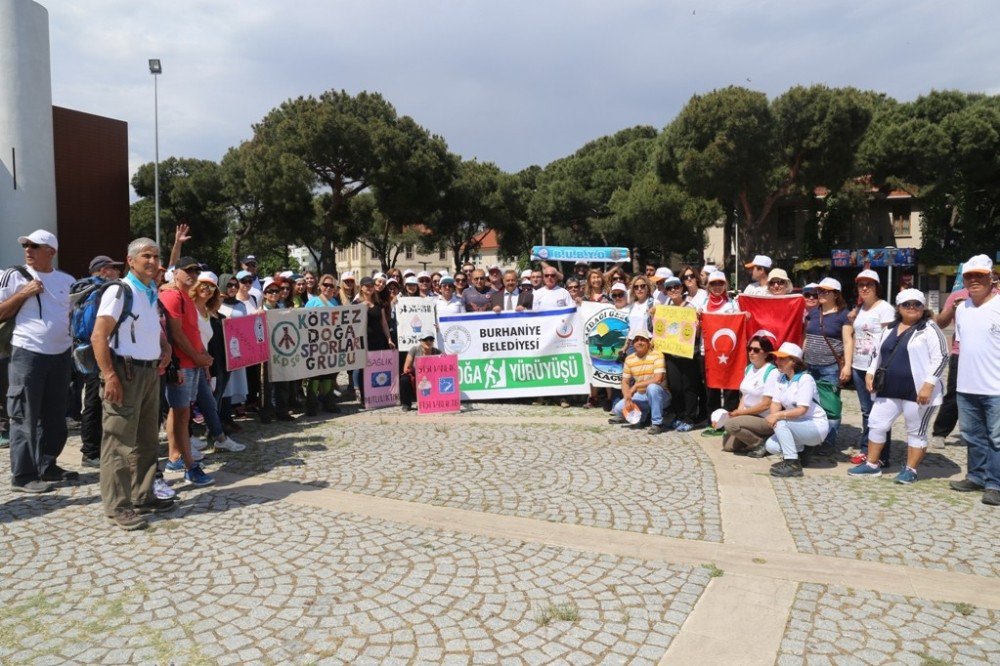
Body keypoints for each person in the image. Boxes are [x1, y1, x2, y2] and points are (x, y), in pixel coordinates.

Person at [91, 238, 175, 529]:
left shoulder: (150, 290)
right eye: (146, 256)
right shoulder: (119, 291)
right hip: (124, 373)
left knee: (147, 439)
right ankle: (117, 506)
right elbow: (99, 336)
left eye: (156, 256)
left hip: (149, 372)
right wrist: (110, 376)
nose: (152, 261)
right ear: (131, 261)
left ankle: (143, 494)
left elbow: (149, 326)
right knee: (118, 442)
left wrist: (164, 346)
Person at [0, 230, 76, 493]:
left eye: (35, 246)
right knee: (23, 414)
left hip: (61, 354)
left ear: (51, 252)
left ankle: (47, 464)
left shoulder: (67, 280)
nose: (28, 249)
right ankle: (23, 475)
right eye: (26, 245)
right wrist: (24, 294)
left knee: (55, 415)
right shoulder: (13, 275)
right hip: (27, 354)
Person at [849, 289, 947, 483]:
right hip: (889, 389)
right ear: (898, 307)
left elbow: (942, 356)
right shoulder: (889, 328)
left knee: (916, 430)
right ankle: (872, 464)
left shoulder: (929, 328)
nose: (912, 308)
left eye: (917, 304)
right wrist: (870, 372)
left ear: (923, 307)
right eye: (907, 304)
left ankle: (910, 470)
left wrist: (929, 384)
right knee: (876, 424)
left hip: (917, 391)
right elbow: (878, 354)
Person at [160, 256, 216, 487]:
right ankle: (188, 465)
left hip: (191, 364)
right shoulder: (172, 295)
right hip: (181, 364)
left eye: (195, 270)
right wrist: (196, 357)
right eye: (187, 270)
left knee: (181, 413)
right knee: (182, 414)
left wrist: (202, 357)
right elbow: (176, 334)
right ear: (175, 272)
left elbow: (192, 331)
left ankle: (177, 457)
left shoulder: (185, 296)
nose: (192, 274)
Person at [949, 255, 1000, 506]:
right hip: (966, 385)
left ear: (991, 277)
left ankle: (995, 484)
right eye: (970, 276)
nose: (974, 280)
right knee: (972, 435)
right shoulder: (962, 309)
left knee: (997, 439)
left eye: (980, 275)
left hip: (996, 387)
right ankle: (976, 476)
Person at [77, 254, 125, 468]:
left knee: (93, 400)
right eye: (114, 268)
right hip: (99, 350)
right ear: (104, 271)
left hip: (84, 350)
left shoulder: (83, 290)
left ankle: (93, 449)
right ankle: (91, 452)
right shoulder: (103, 291)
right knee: (96, 402)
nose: (118, 272)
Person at [190, 272, 246, 453]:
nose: (208, 290)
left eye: (212, 288)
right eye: (204, 286)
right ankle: (202, 436)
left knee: (215, 400)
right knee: (203, 402)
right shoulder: (193, 311)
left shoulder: (220, 317)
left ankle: (216, 434)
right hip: (204, 365)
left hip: (222, 363)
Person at [848, 269, 896, 465]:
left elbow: (890, 338)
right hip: (859, 365)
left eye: (869, 284)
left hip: (876, 368)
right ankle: (867, 449)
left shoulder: (884, 308)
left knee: (879, 412)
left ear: (877, 287)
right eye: (861, 285)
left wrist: (878, 367)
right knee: (867, 411)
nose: (865, 288)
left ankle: (881, 455)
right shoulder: (861, 309)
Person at [763, 343, 830, 478]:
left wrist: (777, 416)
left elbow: (802, 410)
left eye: (782, 359)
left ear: (793, 361)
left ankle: (792, 464)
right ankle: (801, 453)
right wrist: (774, 416)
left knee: (781, 422)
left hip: (815, 426)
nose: (777, 361)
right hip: (796, 425)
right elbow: (775, 403)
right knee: (771, 446)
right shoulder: (781, 378)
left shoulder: (805, 379)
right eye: (777, 358)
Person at [803, 277, 852, 449]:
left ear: (836, 295)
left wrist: (847, 366)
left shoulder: (843, 315)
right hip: (809, 365)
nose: (820, 294)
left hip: (829, 367)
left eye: (825, 291)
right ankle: (813, 437)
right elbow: (806, 337)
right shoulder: (814, 312)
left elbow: (848, 342)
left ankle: (828, 442)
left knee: (830, 406)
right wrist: (802, 357)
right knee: (810, 403)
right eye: (819, 291)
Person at [699, 271, 740, 433]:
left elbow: (739, 324)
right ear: (708, 286)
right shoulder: (702, 304)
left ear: (725, 285)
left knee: (730, 389)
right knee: (712, 389)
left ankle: (730, 421)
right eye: (713, 284)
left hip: (729, 353)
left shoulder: (732, 305)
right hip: (708, 353)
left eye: (720, 283)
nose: (717, 287)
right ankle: (714, 422)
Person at [607, 327, 670, 434]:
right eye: (636, 340)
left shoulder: (657, 355)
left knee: (652, 388)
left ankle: (657, 423)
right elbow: (625, 381)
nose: (639, 342)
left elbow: (658, 379)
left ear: (648, 342)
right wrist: (627, 397)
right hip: (640, 395)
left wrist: (636, 386)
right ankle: (643, 415)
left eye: (642, 339)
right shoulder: (629, 358)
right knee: (617, 409)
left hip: (661, 395)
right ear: (632, 343)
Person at [658, 277, 701, 432]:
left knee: (689, 386)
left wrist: (697, 327)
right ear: (666, 291)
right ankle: (679, 415)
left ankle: (690, 418)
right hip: (671, 353)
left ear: (682, 288)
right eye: (669, 288)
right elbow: (657, 329)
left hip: (688, 354)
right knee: (675, 386)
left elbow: (696, 336)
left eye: (676, 287)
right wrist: (652, 315)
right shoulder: (663, 308)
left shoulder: (691, 307)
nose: (673, 290)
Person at [726, 335, 779, 455]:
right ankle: (754, 437)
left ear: (766, 353)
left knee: (731, 425)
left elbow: (766, 405)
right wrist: (738, 413)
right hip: (748, 415)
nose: (751, 352)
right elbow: (744, 395)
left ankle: (761, 443)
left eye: (756, 350)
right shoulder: (749, 369)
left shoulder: (772, 372)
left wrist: (740, 414)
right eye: (749, 349)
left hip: (764, 418)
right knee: (728, 446)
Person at [399, 333, 442, 410]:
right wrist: (417, 369)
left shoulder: (438, 352)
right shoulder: (414, 350)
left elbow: (445, 367)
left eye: (431, 339)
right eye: (426, 340)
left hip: (431, 377)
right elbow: (406, 369)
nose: (429, 342)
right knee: (404, 379)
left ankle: (432, 402)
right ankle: (406, 404)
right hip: (417, 375)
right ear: (420, 341)